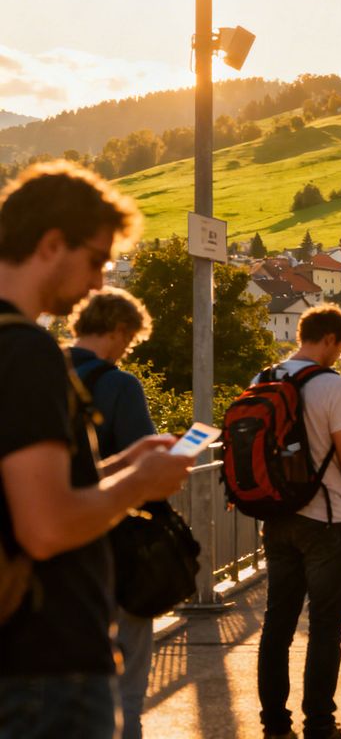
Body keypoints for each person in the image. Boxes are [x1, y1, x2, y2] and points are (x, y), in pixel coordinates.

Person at [0, 161, 191, 737]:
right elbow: (46, 526)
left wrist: (116, 466)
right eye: (96, 261)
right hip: (46, 663)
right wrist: (140, 484)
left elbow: (24, 496)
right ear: (51, 244)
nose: (99, 284)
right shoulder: (28, 350)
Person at [256, 305, 341, 739]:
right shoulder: (332, 386)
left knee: (278, 623)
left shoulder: (264, 379)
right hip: (327, 520)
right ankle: (319, 723)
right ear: (329, 339)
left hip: (276, 518)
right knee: (325, 629)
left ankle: (274, 722)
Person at [67, 287, 160, 739]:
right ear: (119, 330)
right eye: (129, 341)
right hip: (114, 546)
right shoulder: (120, 385)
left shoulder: (41, 370)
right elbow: (144, 470)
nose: (126, 351)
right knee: (126, 683)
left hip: (49, 550)